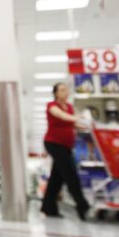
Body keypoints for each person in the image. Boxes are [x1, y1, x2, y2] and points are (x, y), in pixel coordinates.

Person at [40, 82, 90, 220]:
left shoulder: (69, 107)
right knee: (70, 174)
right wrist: (77, 117)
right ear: (56, 93)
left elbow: (72, 123)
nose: (65, 92)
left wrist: (84, 126)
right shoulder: (52, 106)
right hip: (53, 143)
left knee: (57, 178)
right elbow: (61, 116)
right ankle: (82, 206)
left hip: (66, 146)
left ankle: (48, 207)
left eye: (66, 90)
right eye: (62, 90)